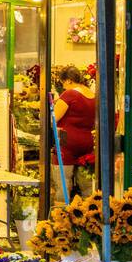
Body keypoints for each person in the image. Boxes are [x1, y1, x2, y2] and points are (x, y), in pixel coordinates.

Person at [54, 65, 97, 197]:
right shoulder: (93, 95)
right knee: (87, 185)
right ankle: (87, 213)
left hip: (66, 144)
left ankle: (61, 213)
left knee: (63, 185)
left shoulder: (69, 94)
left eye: (63, 84)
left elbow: (53, 117)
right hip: (87, 143)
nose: (64, 87)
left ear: (68, 80)